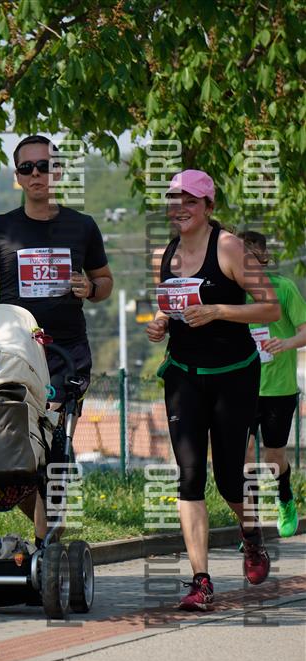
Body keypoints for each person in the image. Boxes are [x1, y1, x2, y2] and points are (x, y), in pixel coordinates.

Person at [146, 169, 280, 611]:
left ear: (208, 206)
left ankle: (250, 534)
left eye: (190, 200)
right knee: (189, 476)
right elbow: (169, 307)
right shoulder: (164, 254)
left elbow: (270, 307)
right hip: (184, 374)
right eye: (174, 200)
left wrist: (219, 310)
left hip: (233, 374)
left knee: (228, 477)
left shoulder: (229, 247)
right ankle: (200, 581)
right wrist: (160, 323)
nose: (180, 208)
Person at [0, 134, 113, 544]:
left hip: (66, 355)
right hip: (14, 355)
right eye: (28, 168)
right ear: (17, 177)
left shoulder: (82, 226)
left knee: (54, 445)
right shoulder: (1, 229)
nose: (37, 174)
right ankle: (47, 528)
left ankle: (46, 538)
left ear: (58, 172)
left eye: (45, 166)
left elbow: (105, 281)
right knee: (14, 446)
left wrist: (91, 288)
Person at [240, 230, 306, 538]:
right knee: (241, 455)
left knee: (273, 457)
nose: (247, 263)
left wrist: (286, 343)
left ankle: (285, 498)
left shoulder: (284, 288)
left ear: (264, 257)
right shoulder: (232, 294)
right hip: (241, 387)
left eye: (253, 257)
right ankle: (250, 526)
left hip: (279, 388)